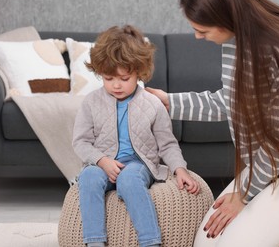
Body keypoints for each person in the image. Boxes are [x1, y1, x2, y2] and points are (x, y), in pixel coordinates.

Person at [145, 0, 279, 246]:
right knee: (206, 242)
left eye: (203, 30)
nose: (197, 37)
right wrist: (167, 102)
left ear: (228, 18)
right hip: (269, 166)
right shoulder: (235, 41)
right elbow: (229, 102)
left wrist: (243, 197)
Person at [72, 25, 200, 247]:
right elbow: (81, 142)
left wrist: (180, 169)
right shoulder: (91, 102)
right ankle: (94, 241)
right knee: (88, 177)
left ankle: (150, 241)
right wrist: (102, 161)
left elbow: (167, 144)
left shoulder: (152, 104)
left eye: (124, 77)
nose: (116, 85)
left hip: (137, 164)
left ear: (139, 72)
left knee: (129, 180)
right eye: (109, 78)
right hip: (103, 162)